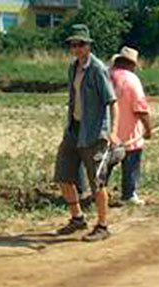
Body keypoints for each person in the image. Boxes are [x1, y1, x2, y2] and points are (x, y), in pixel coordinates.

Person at [53, 24, 119, 242]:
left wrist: (113, 132)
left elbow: (112, 102)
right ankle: (77, 218)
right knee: (63, 175)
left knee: (97, 182)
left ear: (88, 46)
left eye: (80, 44)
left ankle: (102, 225)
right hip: (74, 129)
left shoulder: (98, 69)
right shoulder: (73, 68)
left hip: (94, 133)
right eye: (73, 45)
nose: (77, 48)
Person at [109, 46, 152, 206]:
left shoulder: (107, 75)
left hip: (108, 133)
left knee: (105, 165)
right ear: (132, 64)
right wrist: (148, 129)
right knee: (131, 165)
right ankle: (128, 194)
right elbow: (141, 109)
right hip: (129, 136)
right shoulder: (132, 79)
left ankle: (98, 193)